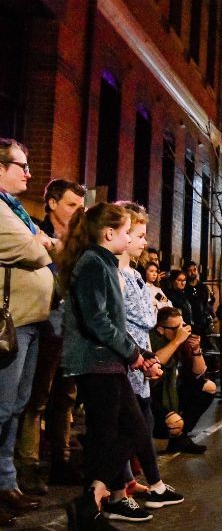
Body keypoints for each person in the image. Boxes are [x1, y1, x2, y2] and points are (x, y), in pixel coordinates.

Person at [59, 203, 163, 525]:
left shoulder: (102, 263)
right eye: (126, 230)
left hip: (109, 361)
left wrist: (141, 357)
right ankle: (91, 505)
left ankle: (91, 501)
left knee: (130, 429)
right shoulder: (93, 263)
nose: (134, 238)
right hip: (96, 362)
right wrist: (134, 355)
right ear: (109, 233)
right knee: (115, 432)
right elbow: (98, 322)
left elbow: (113, 325)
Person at [113, 202, 185, 507]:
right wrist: (142, 357)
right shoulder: (116, 272)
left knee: (142, 419)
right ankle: (111, 488)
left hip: (140, 355)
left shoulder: (134, 272)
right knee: (133, 425)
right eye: (138, 234)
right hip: (128, 358)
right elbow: (137, 317)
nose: (144, 241)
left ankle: (141, 483)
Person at [16, 178, 85, 495]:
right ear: (53, 203)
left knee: (66, 395)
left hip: (70, 330)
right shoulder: (34, 233)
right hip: (41, 326)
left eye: (80, 207)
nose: (77, 212)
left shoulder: (79, 243)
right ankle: (27, 464)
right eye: (71, 205)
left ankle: (61, 459)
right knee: (36, 396)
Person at [0, 140, 55, 523]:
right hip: (11, 323)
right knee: (2, 407)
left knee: (16, 408)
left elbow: (48, 245)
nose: (29, 172)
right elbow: (37, 252)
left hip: (31, 320)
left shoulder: (17, 211)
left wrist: (41, 241)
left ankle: (6, 484)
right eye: (22, 165)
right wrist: (41, 242)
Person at [149, 307, 214, 453]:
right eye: (175, 328)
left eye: (182, 325)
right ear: (161, 330)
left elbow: (199, 372)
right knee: (172, 426)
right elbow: (156, 361)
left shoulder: (182, 342)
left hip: (176, 387)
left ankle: (181, 436)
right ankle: (173, 433)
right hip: (155, 394)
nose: (181, 331)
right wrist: (177, 340)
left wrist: (196, 350)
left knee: (208, 387)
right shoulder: (153, 339)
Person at [183, 261, 214, 338]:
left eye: (194, 270)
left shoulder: (203, 287)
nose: (193, 272)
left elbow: (207, 303)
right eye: (190, 270)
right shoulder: (184, 287)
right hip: (189, 321)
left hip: (201, 322)